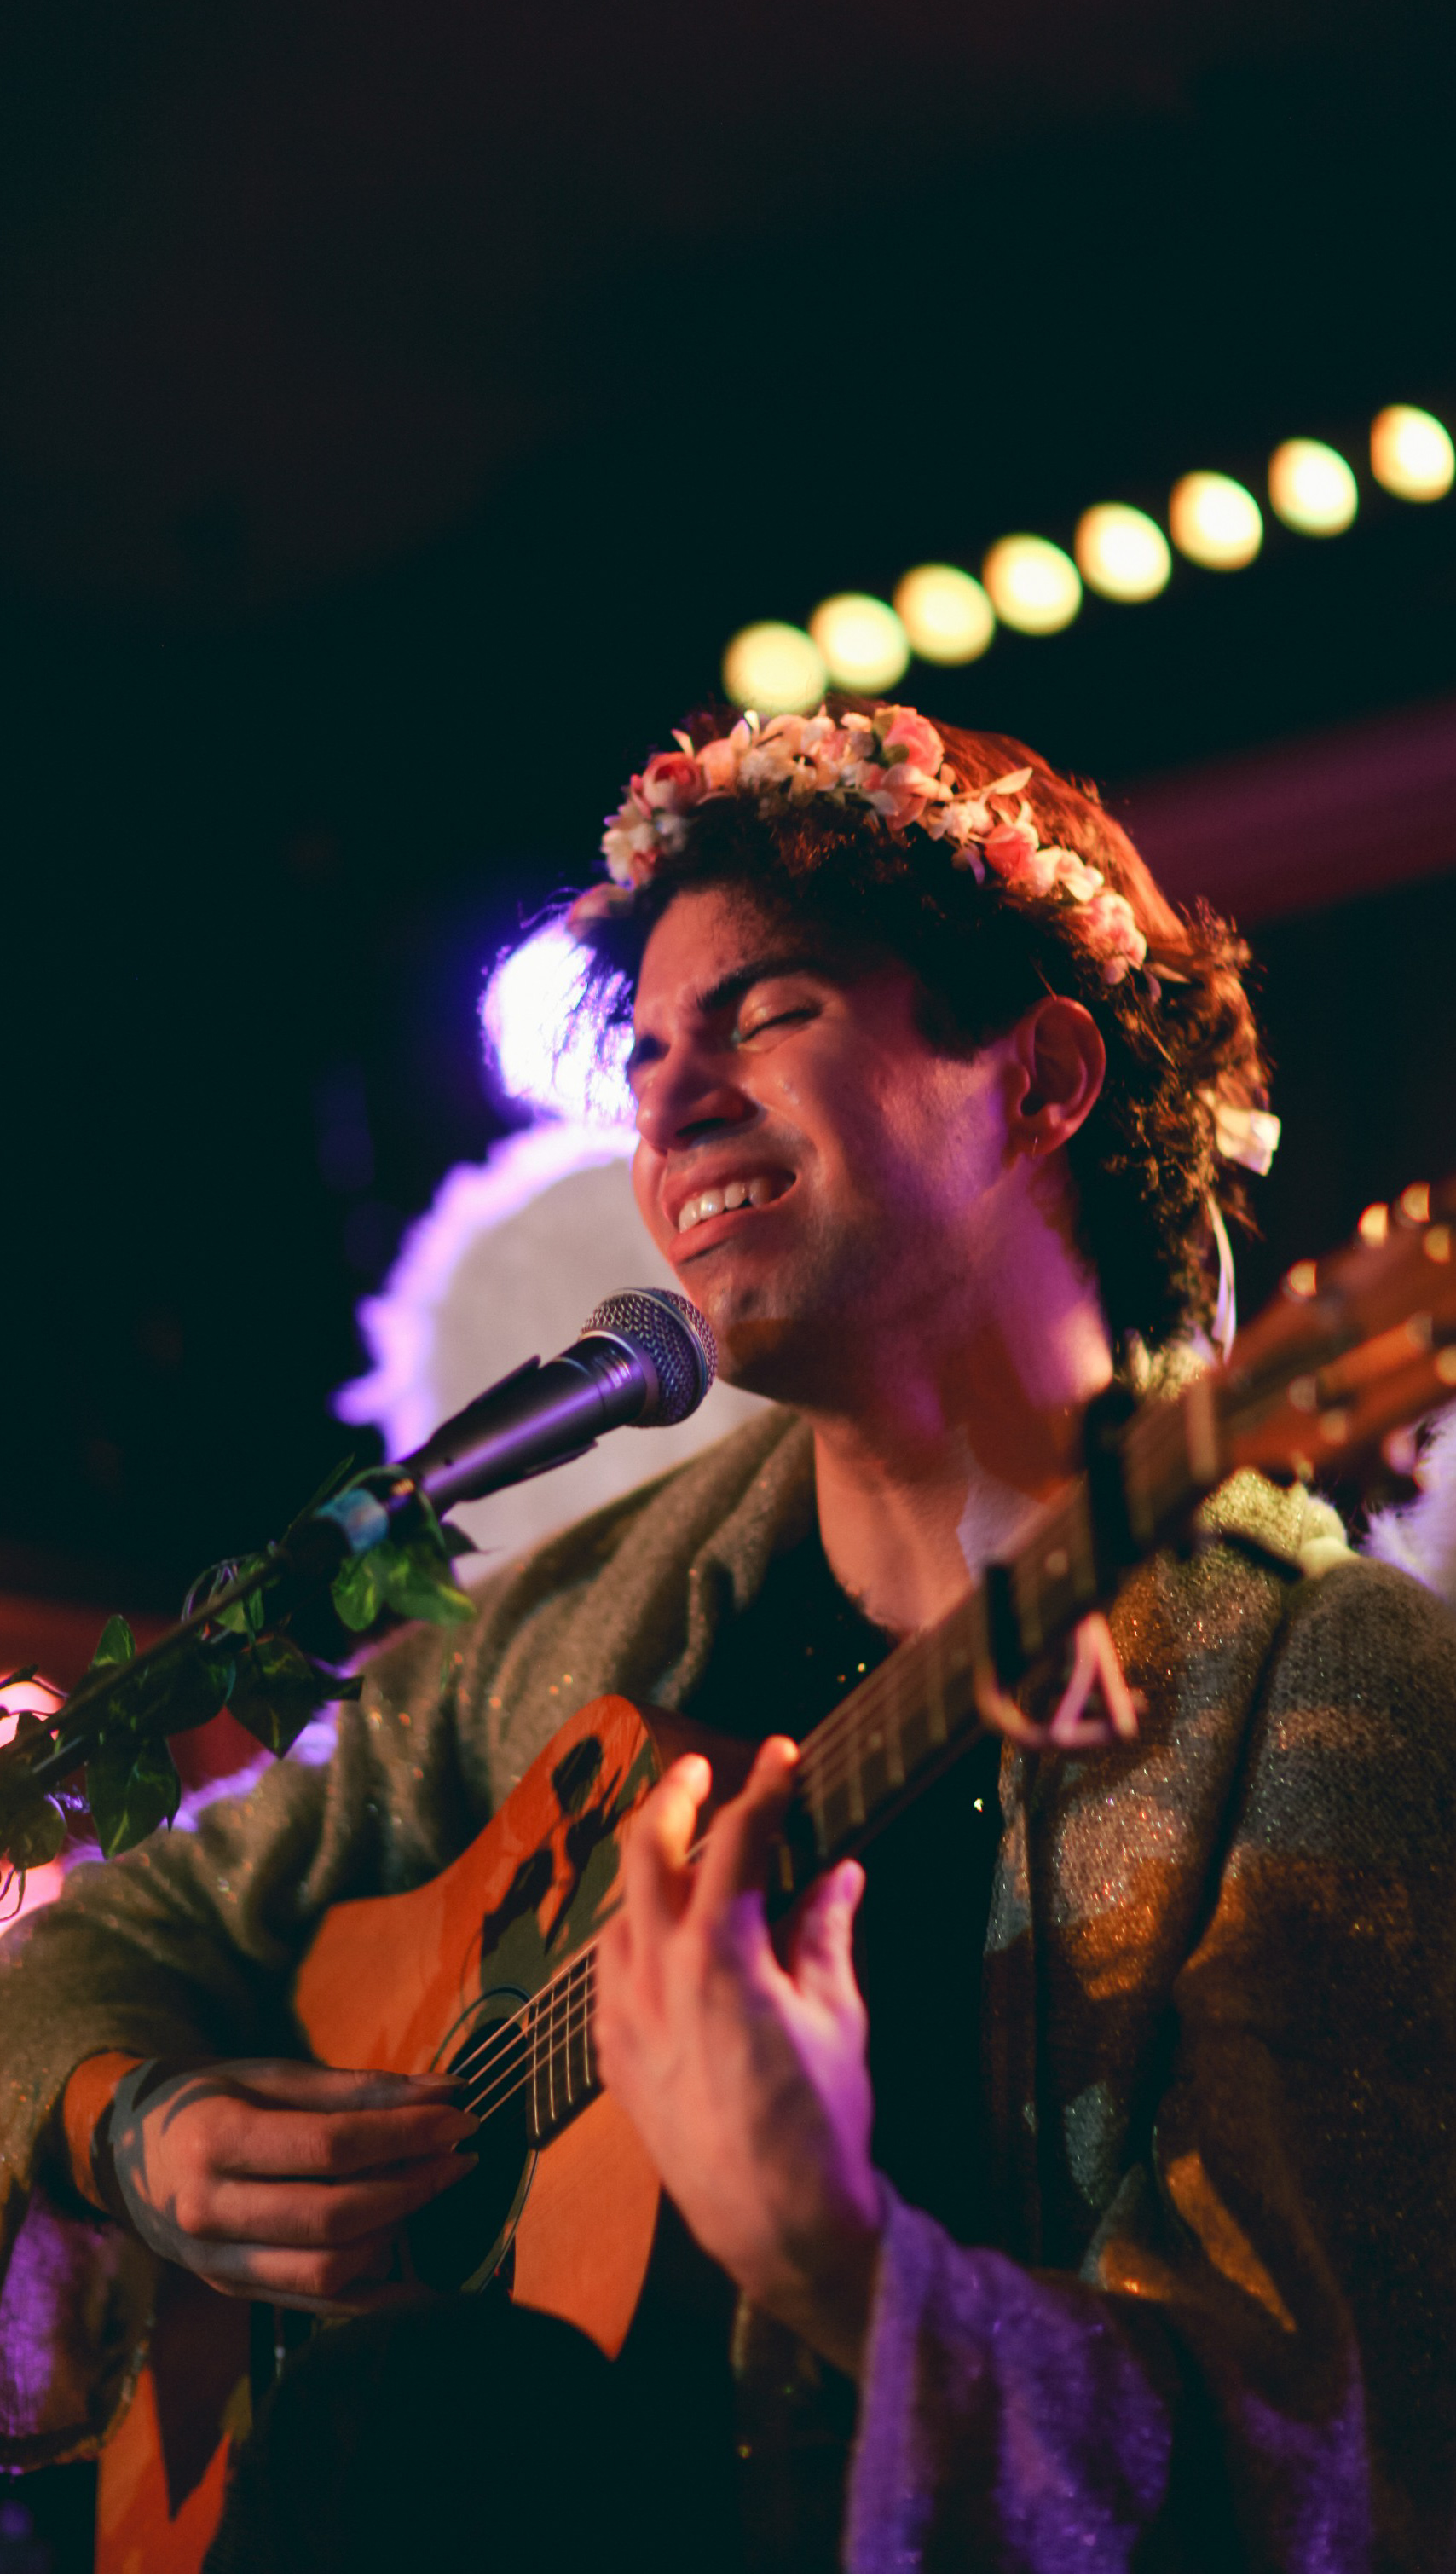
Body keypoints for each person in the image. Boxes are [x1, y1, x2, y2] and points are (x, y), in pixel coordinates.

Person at [2, 700, 1454, 2571]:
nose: (667, 1102)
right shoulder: (572, 1624)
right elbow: (109, 1939)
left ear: (1041, 1078)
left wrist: (831, 2255)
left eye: (765, 1012)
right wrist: (142, 2130)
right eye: (648, 1056)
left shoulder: (1327, 1697)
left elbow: (1323, 2472)